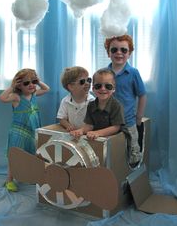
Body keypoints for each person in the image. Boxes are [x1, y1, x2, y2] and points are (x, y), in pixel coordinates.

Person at [0, 68, 50, 192]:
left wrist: (38, 82)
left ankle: (30, 175)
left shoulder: (34, 95)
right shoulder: (16, 97)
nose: (31, 85)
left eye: (33, 81)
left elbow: (46, 89)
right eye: (26, 83)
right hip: (19, 131)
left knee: (32, 154)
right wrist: (12, 87)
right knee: (15, 155)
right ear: (19, 85)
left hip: (32, 130)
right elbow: (2, 98)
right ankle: (9, 180)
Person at [104, 34, 147, 167]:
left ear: (129, 53)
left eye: (123, 50)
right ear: (108, 53)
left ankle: (132, 178)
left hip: (128, 120)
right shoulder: (104, 73)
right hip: (109, 121)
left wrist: (138, 117)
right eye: (114, 50)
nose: (119, 53)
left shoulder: (133, 73)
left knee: (133, 151)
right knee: (112, 151)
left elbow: (142, 95)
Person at [70, 68, 125, 140]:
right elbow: (89, 125)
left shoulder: (116, 106)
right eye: (98, 86)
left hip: (114, 141)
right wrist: (81, 131)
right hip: (97, 140)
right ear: (93, 89)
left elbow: (116, 127)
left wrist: (98, 133)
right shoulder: (91, 105)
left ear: (113, 89)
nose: (102, 89)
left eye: (108, 86)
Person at [57, 66, 94, 131]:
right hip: (73, 134)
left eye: (89, 80)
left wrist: (82, 130)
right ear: (71, 86)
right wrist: (68, 125)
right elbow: (61, 118)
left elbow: (94, 123)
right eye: (82, 81)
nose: (87, 83)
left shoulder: (92, 101)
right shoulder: (65, 101)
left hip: (88, 134)